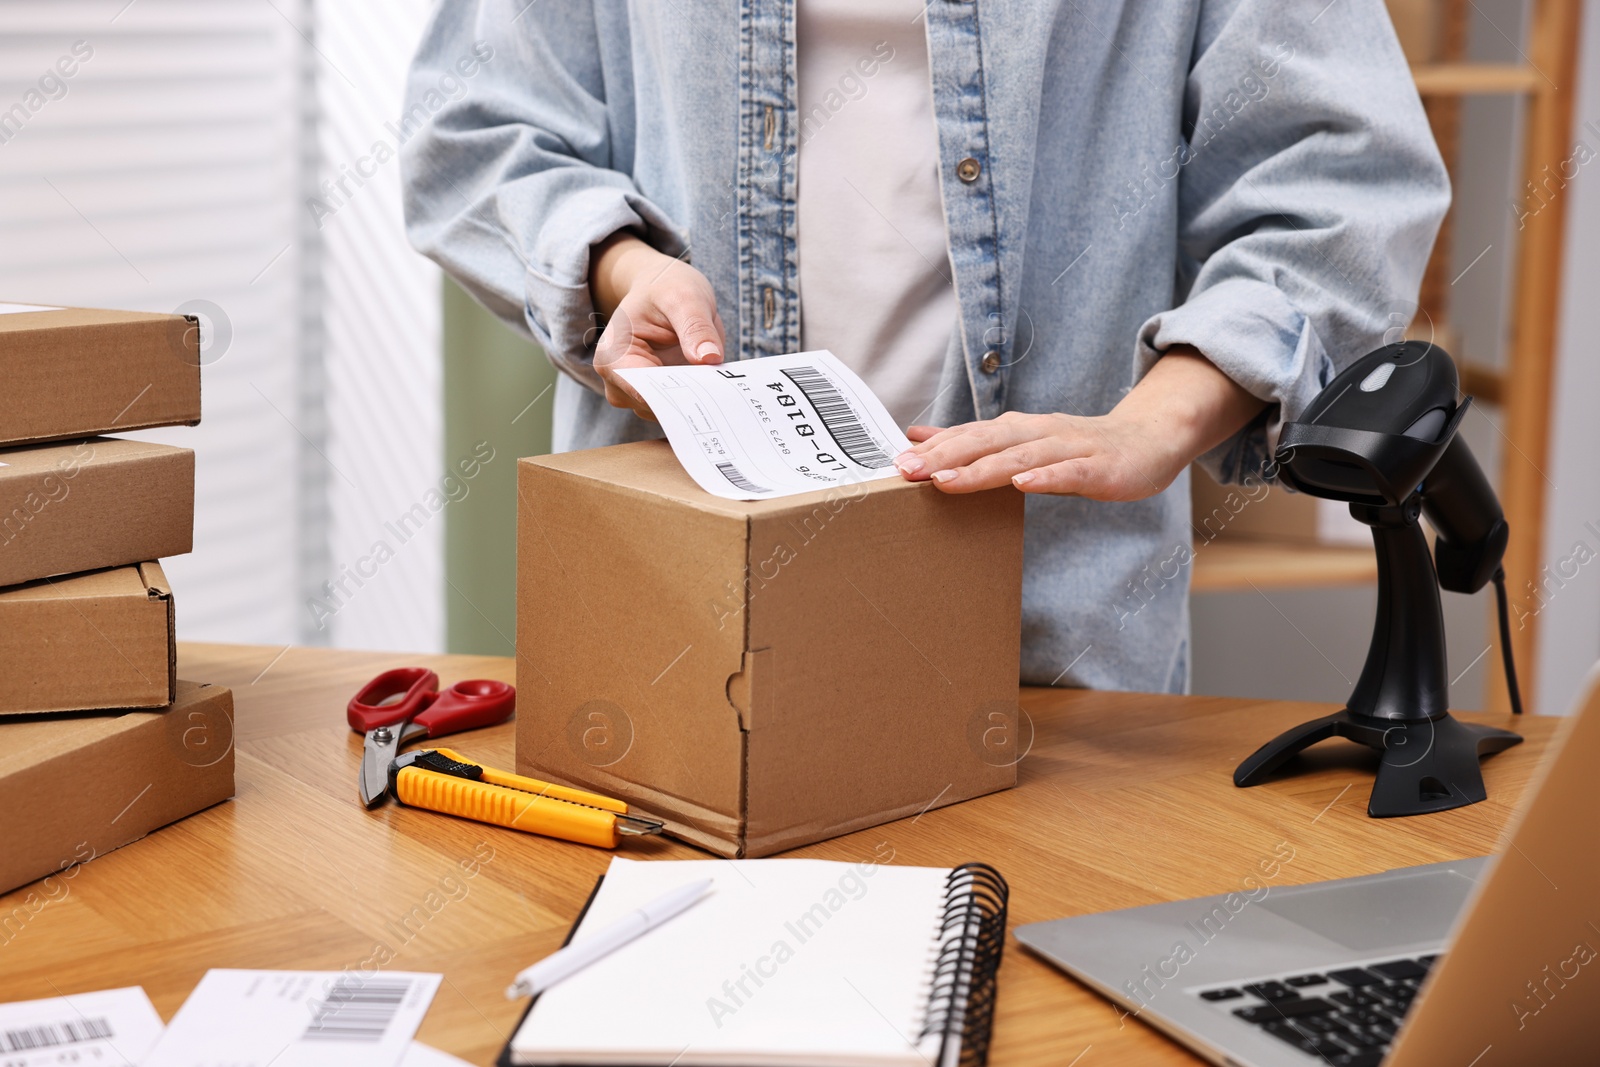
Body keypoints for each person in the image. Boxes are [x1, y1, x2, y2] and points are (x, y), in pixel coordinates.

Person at [401, 0, 1447, 692]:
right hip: (681, 602)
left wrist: (1151, 423)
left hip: (1052, 617)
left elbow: (1338, 174)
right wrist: (620, 270)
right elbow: (478, 125)